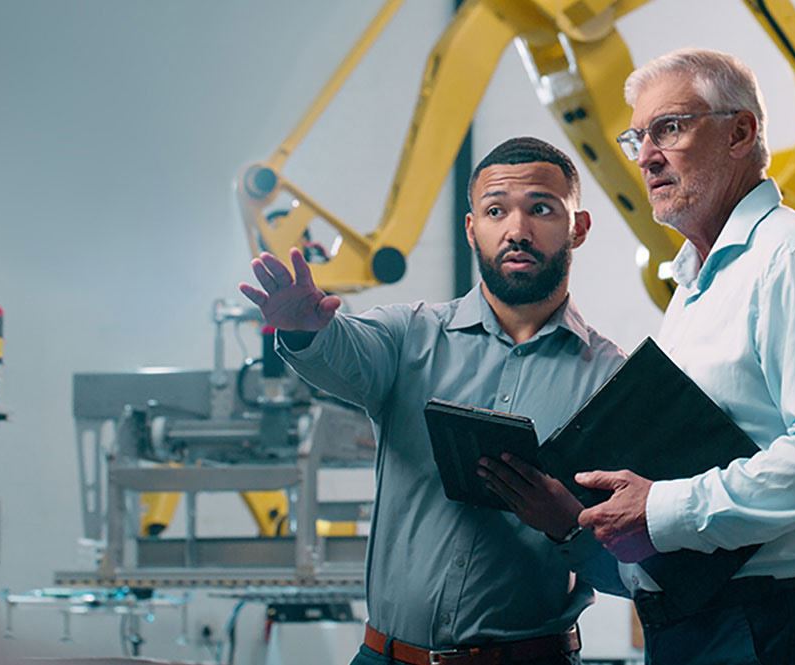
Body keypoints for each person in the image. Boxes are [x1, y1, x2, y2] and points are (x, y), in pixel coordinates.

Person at [492, 48, 795, 664]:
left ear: (741, 132)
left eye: (669, 128)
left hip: (769, 626)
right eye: (638, 137)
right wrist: (583, 518)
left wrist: (661, 506)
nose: (647, 155)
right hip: (692, 625)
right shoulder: (693, 287)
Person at [238, 137, 626, 665]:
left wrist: (567, 525)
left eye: (541, 209)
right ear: (472, 229)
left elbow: (641, 571)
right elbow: (342, 350)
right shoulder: (407, 337)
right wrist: (307, 332)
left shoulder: (612, 381)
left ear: (577, 227)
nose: (517, 230)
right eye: (495, 211)